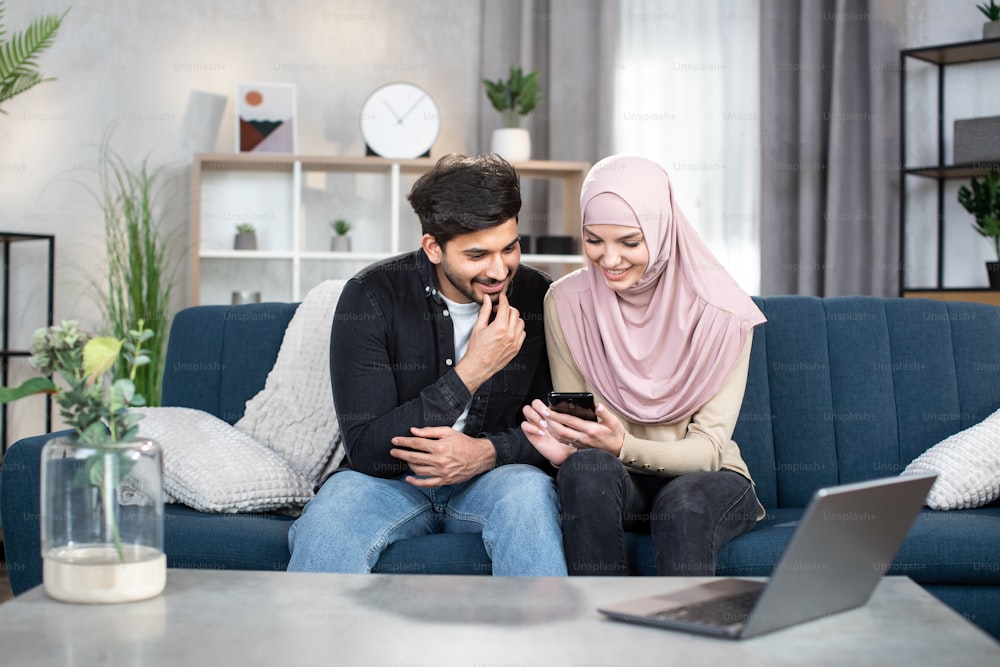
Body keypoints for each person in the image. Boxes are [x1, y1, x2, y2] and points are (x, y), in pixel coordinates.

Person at [288, 153, 566, 576]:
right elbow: (367, 451)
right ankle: (313, 644)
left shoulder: (538, 297)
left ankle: (543, 643)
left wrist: (485, 453)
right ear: (433, 247)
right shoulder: (371, 297)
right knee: (330, 521)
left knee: (530, 497)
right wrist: (474, 370)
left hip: (493, 481)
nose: (499, 269)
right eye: (477, 255)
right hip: (387, 484)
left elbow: (557, 429)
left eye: (509, 248)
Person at [521, 155, 766, 577]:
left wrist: (622, 447)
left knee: (682, 504)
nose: (609, 259)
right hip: (619, 482)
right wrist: (569, 450)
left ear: (662, 230)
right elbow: (580, 429)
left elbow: (708, 451)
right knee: (585, 469)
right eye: (593, 239)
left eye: (629, 242)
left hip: (709, 478)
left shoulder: (725, 314)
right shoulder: (566, 301)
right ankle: (598, 634)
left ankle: (687, 639)